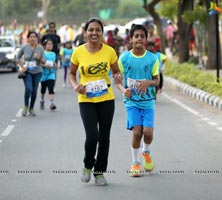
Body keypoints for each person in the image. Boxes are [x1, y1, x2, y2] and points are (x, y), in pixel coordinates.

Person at [68, 18, 123, 186]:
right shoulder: (78, 52)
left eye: (97, 30)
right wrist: (76, 85)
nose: (94, 33)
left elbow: (116, 72)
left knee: (104, 138)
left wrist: (118, 77)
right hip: (86, 99)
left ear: (102, 32)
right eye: (90, 30)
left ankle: (99, 172)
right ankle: (87, 165)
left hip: (106, 99)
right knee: (92, 136)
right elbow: (72, 73)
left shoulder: (109, 52)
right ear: (85, 32)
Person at [118, 24, 159, 177]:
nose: (139, 39)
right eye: (136, 36)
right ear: (131, 39)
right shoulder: (124, 58)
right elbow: (117, 78)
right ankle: (135, 163)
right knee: (137, 132)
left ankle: (145, 151)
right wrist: (123, 89)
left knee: (147, 133)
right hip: (132, 102)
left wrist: (148, 82)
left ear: (146, 39)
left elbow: (156, 81)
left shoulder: (152, 58)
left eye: (142, 36)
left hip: (148, 102)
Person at [17, 31, 45, 116]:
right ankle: (26, 106)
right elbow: (17, 58)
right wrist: (22, 67)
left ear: (37, 38)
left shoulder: (40, 48)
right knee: (29, 88)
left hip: (37, 72)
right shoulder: (24, 47)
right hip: (27, 72)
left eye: (34, 37)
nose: (32, 38)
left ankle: (31, 108)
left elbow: (44, 61)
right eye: (31, 37)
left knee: (34, 91)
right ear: (28, 38)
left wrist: (39, 58)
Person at [40, 39, 57, 111]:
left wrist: (55, 65)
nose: (50, 45)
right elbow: (40, 64)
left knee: (51, 88)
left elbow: (54, 63)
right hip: (43, 74)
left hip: (51, 73)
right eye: (48, 44)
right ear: (44, 45)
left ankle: (52, 103)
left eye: (51, 44)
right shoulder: (42, 53)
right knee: (43, 89)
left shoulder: (53, 54)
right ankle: (42, 101)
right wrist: (45, 66)